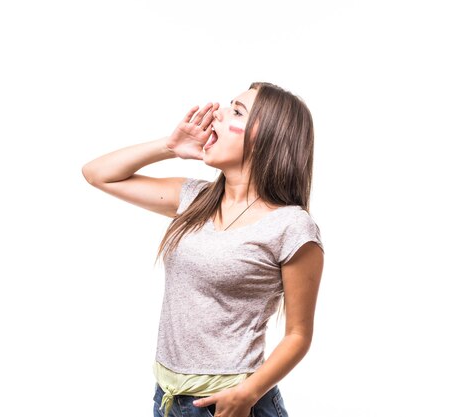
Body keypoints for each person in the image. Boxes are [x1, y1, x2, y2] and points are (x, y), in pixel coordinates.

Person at [82, 82, 325, 417]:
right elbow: (97, 174)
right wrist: (171, 147)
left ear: (267, 137)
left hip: (232, 403)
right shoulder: (194, 198)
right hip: (168, 399)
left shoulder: (291, 227)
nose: (219, 113)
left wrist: (247, 394)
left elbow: (298, 334)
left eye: (237, 111)